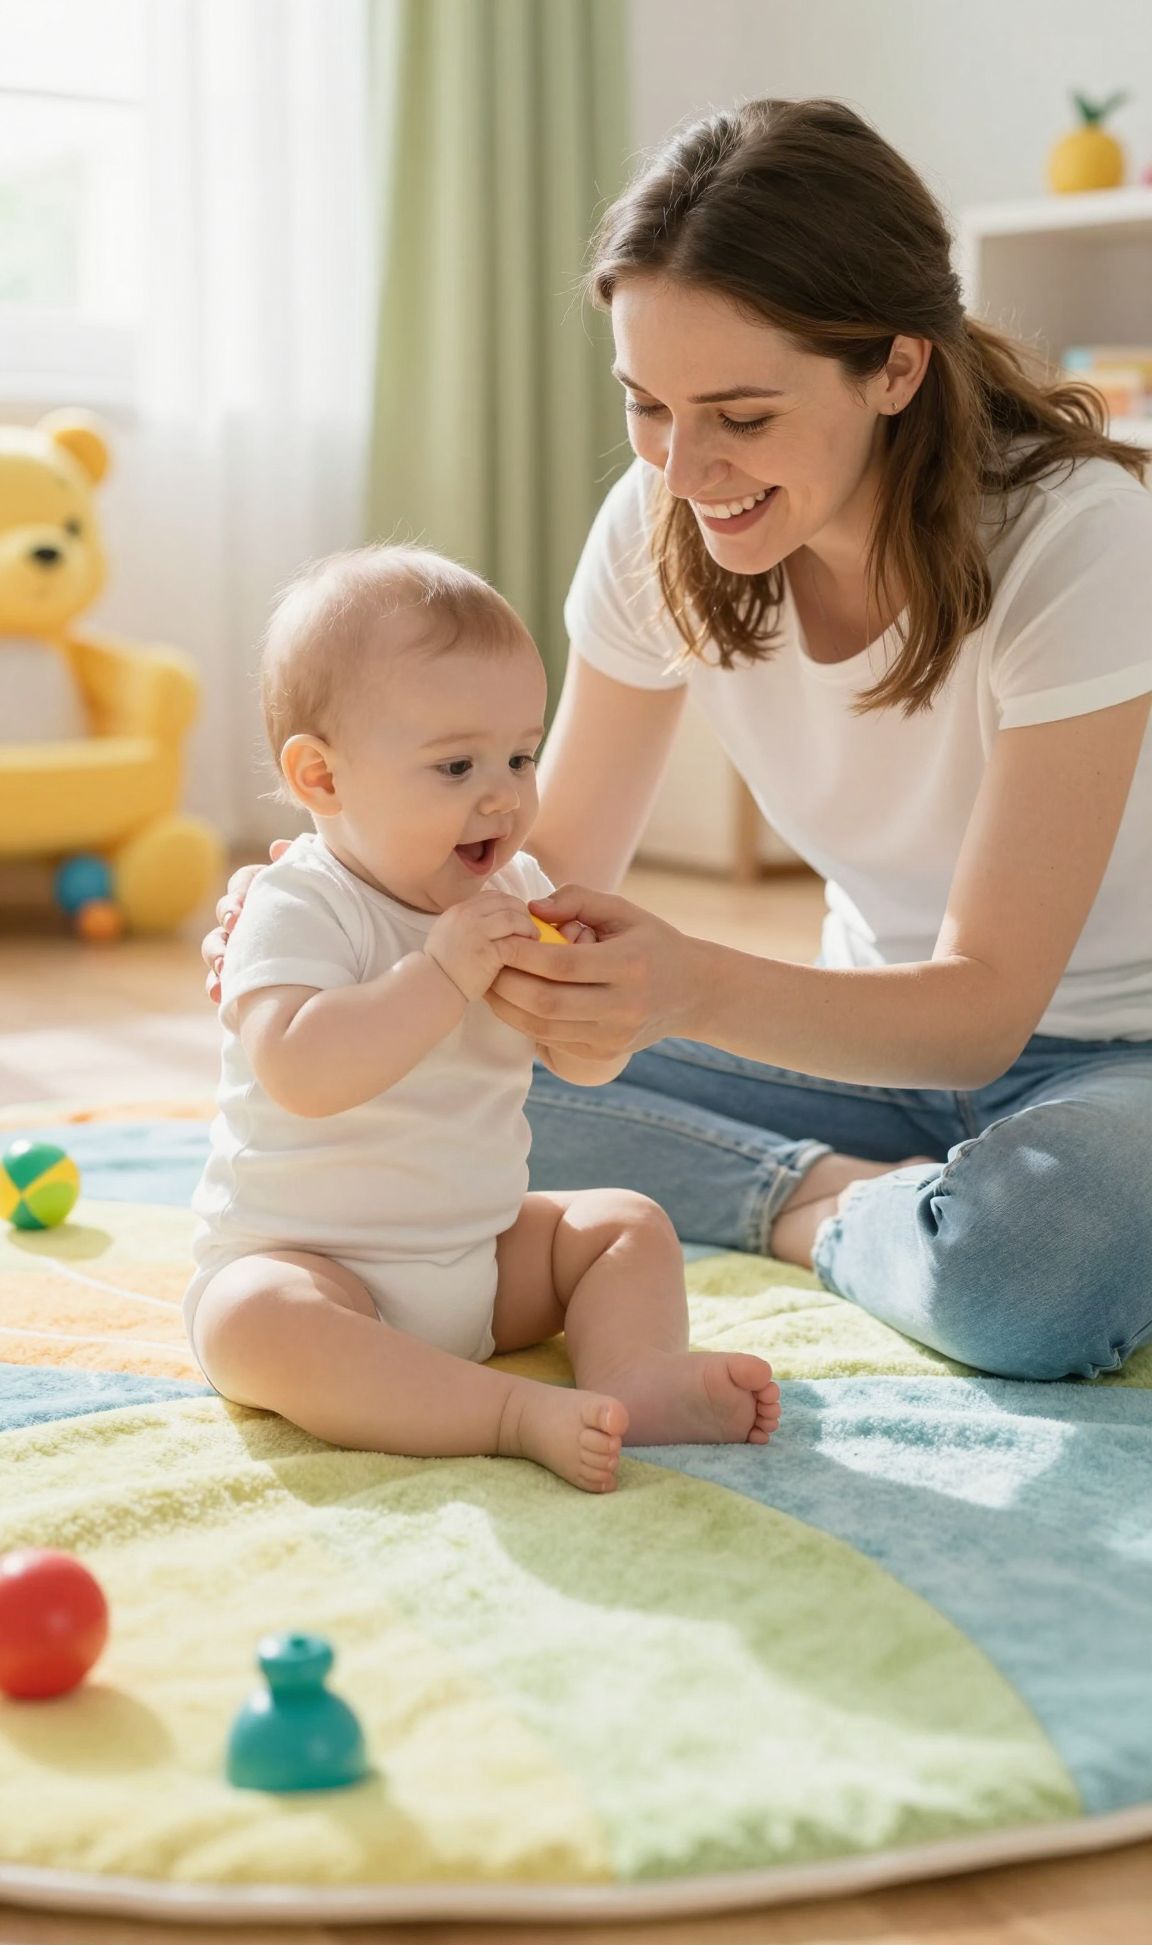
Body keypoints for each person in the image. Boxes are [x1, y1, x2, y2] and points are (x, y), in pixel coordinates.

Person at [206, 98, 1152, 1384]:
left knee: (1035, 1268)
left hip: (1108, 1057)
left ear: (896, 367)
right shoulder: (657, 526)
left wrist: (688, 984)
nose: (684, 465)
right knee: (420, 1073)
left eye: (742, 416)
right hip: (861, 1052)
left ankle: (819, 1212)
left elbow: (985, 1010)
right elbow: (539, 881)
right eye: (647, 404)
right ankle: (844, 1195)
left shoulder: (1073, 533)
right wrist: (334, 915)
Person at [185, 546, 779, 1491]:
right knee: (252, 1322)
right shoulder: (299, 903)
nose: (502, 794)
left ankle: (634, 1378)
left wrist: (584, 1016)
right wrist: (441, 974)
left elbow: (580, 1069)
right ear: (322, 778)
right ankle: (509, 1414)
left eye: (521, 755)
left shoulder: (518, 889)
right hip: (319, 1265)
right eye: (457, 764)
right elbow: (301, 1072)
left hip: (481, 1261)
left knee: (625, 1224)